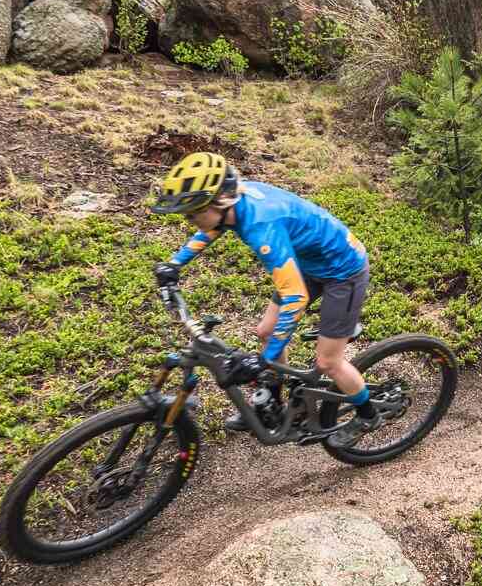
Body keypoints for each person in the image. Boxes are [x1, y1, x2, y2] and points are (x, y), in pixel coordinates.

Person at [148, 152, 379, 442]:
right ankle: (272, 404)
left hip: (343, 271)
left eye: (193, 212)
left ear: (219, 202)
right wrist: (175, 264)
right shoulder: (231, 206)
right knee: (266, 331)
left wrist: (263, 360)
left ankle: (369, 415)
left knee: (328, 362)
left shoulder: (261, 226)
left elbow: (295, 297)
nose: (189, 219)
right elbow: (211, 228)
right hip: (306, 263)